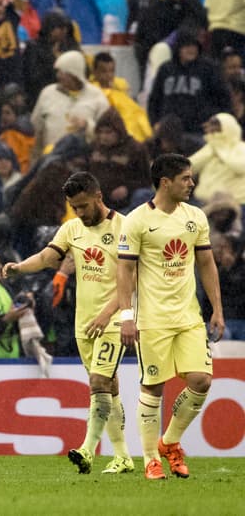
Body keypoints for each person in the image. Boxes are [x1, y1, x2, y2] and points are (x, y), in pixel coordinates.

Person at [2, 172, 134, 474]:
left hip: (114, 318)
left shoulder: (125, 227)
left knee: (98, 381)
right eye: (75, 207)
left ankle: (87, 450)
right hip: (84, 322)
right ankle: (123, 456)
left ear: (99, 196)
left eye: (85, 206)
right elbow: (48, 257)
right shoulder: (72, 228)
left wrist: (107, 314)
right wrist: (20, 268)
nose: (80, 213)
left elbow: (133, 279)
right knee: (108, 386)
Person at [107, 154, 225, 480]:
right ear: (165, 182)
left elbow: (206, 264)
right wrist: (127, 315)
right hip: (153, 318)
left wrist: (217, 308)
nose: (192, 183)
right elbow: (125, 271)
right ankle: (149, 459)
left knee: (201, 381)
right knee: (153, 386)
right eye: (186, 178)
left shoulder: (196, 217)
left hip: (189, 316)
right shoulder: (137, 221)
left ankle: (169, 442)